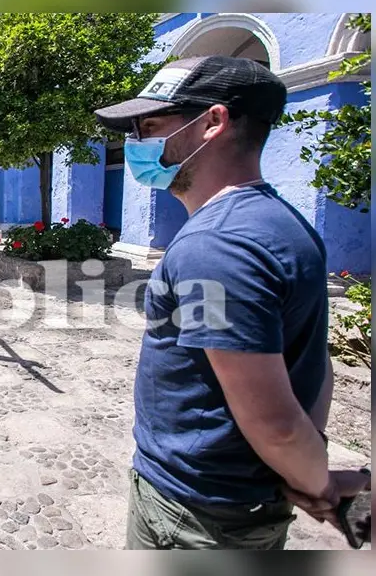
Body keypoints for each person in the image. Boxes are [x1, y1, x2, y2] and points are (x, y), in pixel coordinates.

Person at [93, 56, 371, 550]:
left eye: (151, 126)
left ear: (213, 123)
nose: (136, 143)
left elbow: (276, 424)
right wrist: (311, 466)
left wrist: (321, 485)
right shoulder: (280, 222)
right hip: (236, 504)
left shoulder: (215, 247)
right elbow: (311, 359)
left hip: (195, 514)